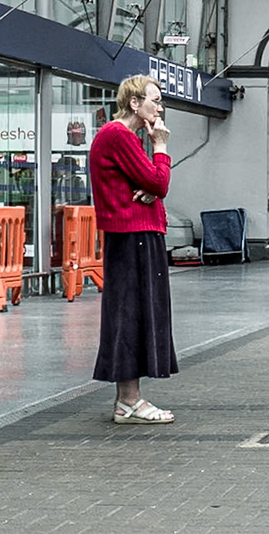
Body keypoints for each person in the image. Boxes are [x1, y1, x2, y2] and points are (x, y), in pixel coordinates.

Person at [89, 74, 179, 424]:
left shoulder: (121, 138)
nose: (160, 108)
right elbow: (159, 181)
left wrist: (153, 188)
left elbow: (151, 185)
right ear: (134, 103)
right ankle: (129, 400)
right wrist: (161, 147)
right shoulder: (119, 135)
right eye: (155, 100)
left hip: (133, 234)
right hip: (134, 235)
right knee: (132, 314)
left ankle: (128, 400)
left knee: (135, 312)